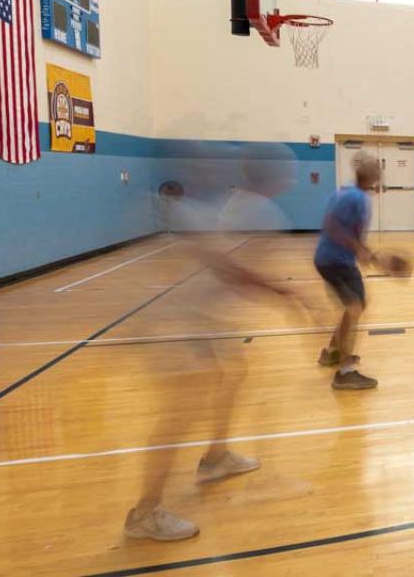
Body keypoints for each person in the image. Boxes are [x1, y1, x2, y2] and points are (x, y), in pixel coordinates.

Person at [125, 146, 297, 542]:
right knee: (180, 411)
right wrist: (289, 297)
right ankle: (144, 513)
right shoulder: (257, 211)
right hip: (182, 318)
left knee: (233, 372)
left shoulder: (237, 204)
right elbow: (233, 270)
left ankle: (216, 456)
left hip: (204, 317)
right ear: (276, 176)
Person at [316, 155, 385, 390]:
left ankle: (332, 352)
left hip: (331, 259)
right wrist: (359, 249)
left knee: (356, 306)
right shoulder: (357, 197)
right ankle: (345, 373)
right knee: (355, 308)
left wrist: (366, 252)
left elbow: (344, 230)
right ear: (374, 176)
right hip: (336, 260)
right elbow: (332, 225)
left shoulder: (344, 191)